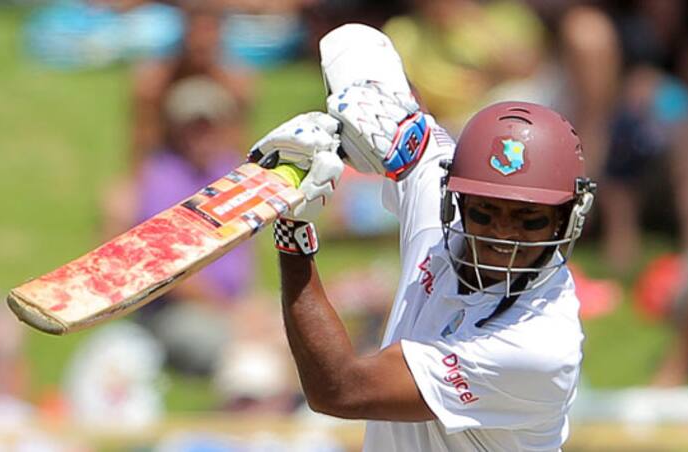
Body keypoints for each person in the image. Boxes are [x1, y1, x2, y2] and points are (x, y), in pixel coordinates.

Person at [249, 24, 596, 450]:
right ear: (459, 201)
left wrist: (292, 230)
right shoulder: (444, 203)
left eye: (529, 220)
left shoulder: (537, 347)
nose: (504, 234)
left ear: (566, 219)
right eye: (486, 212)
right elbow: (361, 52)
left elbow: (340, 389)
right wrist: (352, 117)